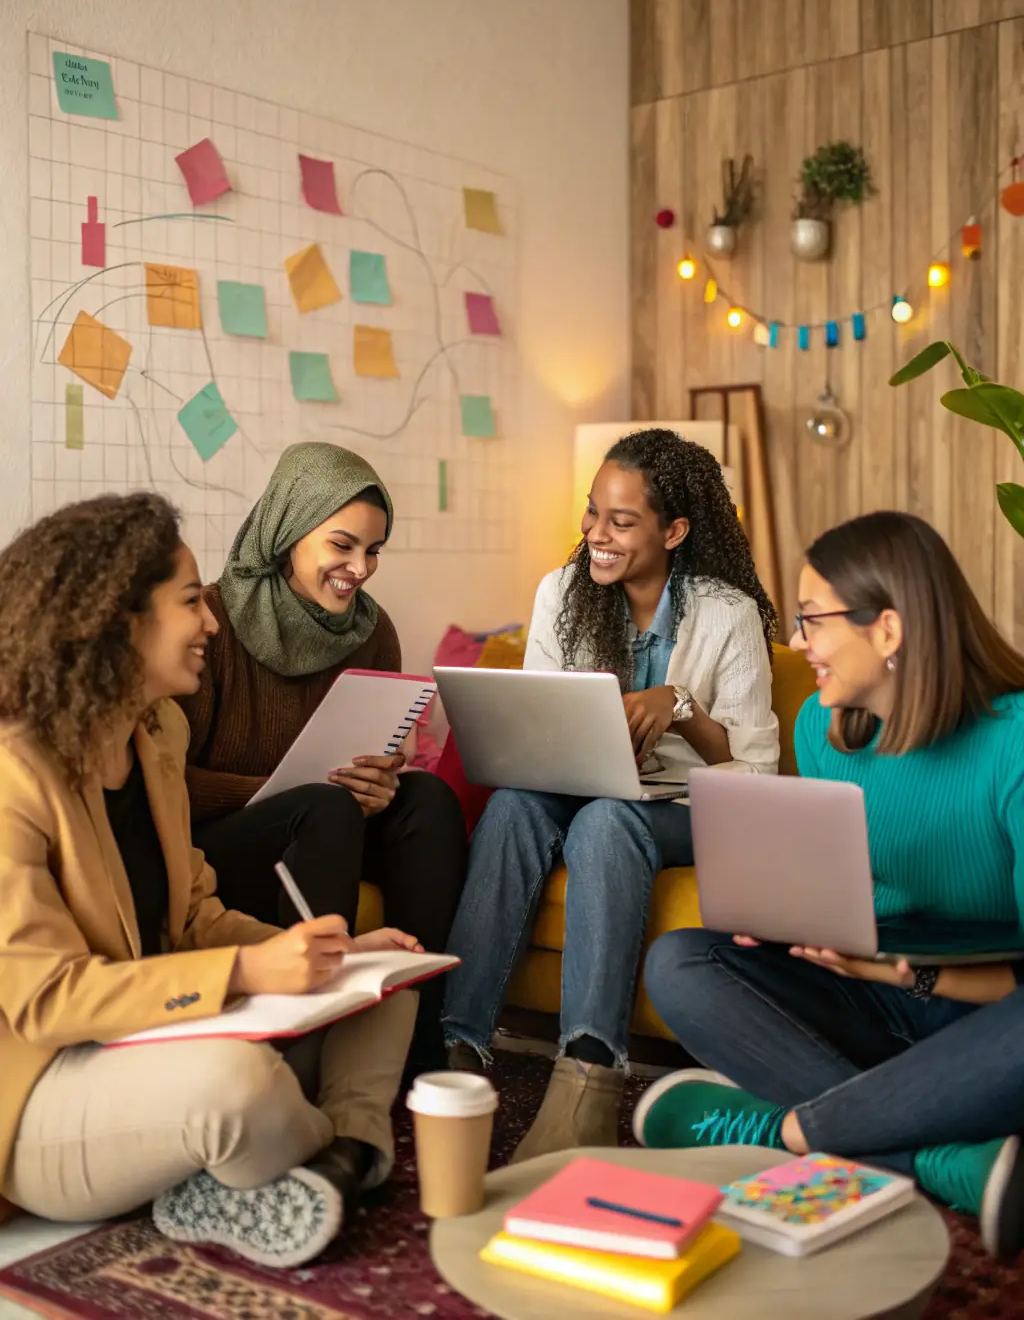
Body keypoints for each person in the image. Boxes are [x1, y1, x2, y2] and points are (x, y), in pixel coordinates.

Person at [0, 492, 424, 1267]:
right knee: (240, 1083)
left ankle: (334, 1157)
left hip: (154, 1033)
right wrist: (245, 970)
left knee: (384, 987)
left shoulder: (155, 730)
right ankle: (337, 1144)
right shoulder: (13, 773)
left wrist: (323, 952)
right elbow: (47, 998)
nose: (212, 623)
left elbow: (194, 914)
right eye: (192, 601)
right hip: (42, 1090)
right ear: (117, 618)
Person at [638, 510, 1024, 1260]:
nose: (798, 643)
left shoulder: (1014, 741)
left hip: (986, 1013)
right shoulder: (821, 726)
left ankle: (778, 1129)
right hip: (870, 993)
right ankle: (940, 1160)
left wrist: (913, 971)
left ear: (888, 629)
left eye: (812, 620)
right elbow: (845, 885)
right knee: (683, 962)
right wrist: (789, 919)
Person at [443, 428, 779, 1162]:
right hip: (578, 786)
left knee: (608, 821)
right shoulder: (560, 593)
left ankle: (588, 1079)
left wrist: (681, 704)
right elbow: (535, 728)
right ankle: (458, 1051)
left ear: (675, 530)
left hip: (687, 809)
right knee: (512, 806)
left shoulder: (728, 614)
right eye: (593, 513)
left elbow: (756, 768)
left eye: (620, 521)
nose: (595, 533)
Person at [179, 442, 467, 1074]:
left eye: (373, 551)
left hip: (326, 824)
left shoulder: (374, 630)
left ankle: (419, 1044)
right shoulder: (209, 623)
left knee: (428, 798)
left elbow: (373, 761)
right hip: (221, 843)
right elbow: (168, 786)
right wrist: (279, 789)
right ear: (288, 535)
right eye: (342, 546)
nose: (359, 568)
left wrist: (381, 783)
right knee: (322, 804)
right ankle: (306, 1055)